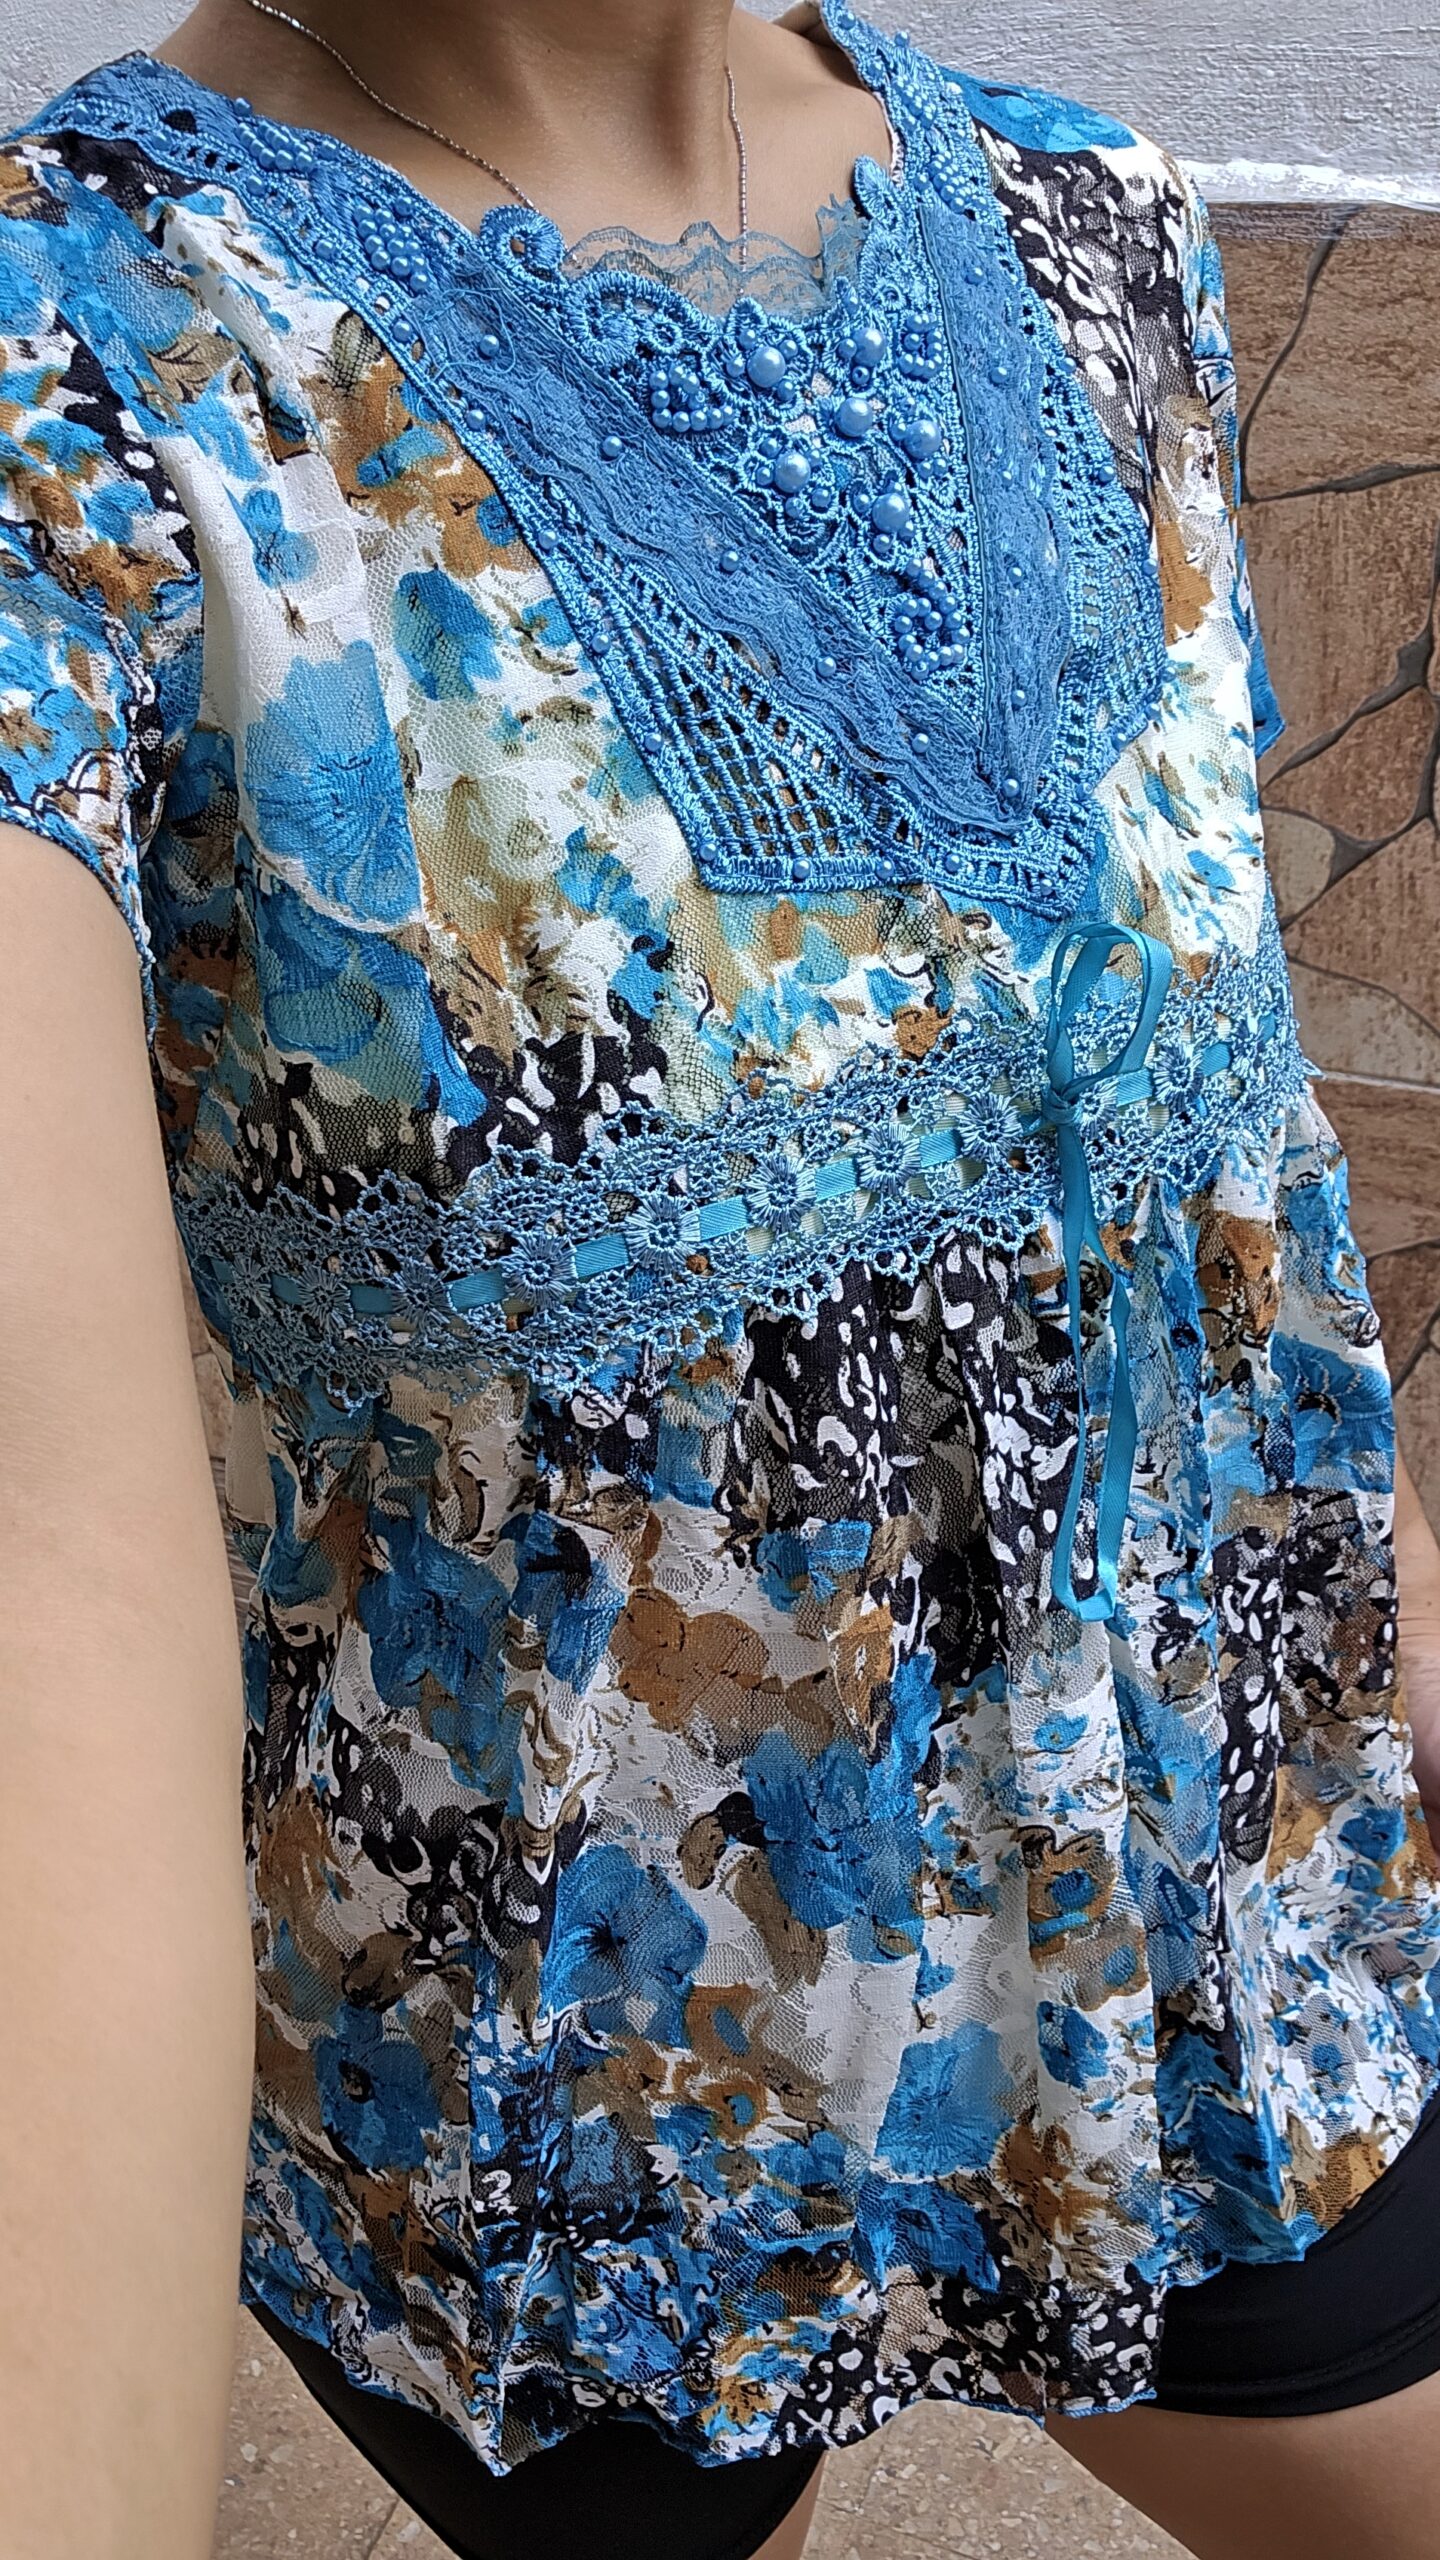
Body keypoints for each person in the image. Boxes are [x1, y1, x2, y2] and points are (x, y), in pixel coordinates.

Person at [1, 2, 1438, 2555]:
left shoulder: (1097, 231)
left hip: (1208, 1970)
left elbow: (1226, 1188)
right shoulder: (76, 377)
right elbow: (44, 1570)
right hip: (567, 2120)